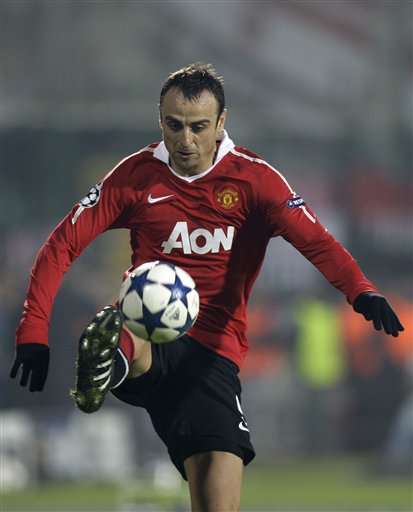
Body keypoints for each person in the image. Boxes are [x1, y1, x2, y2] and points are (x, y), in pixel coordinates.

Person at [10, 62, 404, 512]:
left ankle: (117, 358)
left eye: (198, 126)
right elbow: (62, 244)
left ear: (221, 123)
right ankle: (113, 359)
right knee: (134, 313)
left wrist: (361, 290)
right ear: (160, 119)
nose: (185, 139)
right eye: (174, 125)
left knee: (217, 500)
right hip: (149, 335)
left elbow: (316, 241)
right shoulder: (135, 176)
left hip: (213, 357)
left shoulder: (255, 180)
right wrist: (33, 332)